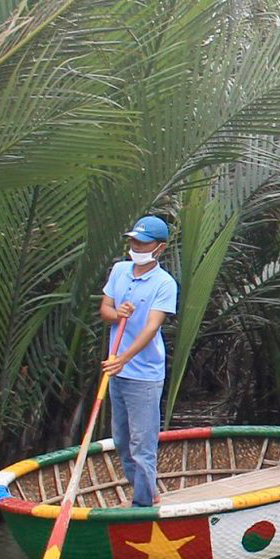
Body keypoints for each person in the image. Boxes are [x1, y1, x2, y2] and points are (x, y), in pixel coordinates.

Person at [98, 215, 179, 508]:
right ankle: (148, 491)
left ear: (159, 248)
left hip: (143, 374)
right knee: (121, 440)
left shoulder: (164, 283)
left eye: (143, 243)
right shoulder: (120, 271)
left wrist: (123, 359)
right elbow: (105, 310)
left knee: (142, 445)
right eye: (133, 241)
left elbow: (151, 327)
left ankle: (143, 505)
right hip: (117, 370)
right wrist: (118, 313)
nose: (136, 247)